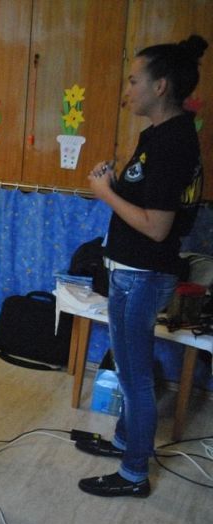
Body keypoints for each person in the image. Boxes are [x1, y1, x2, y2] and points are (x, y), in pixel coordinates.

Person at [77, 35, 207, 498]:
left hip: (143, 274)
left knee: (134, 377)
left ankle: (134, 474)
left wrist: (105, 194)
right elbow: (149, 201)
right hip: (131, 270)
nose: (127, 90)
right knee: (131, 366)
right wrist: (115, 185)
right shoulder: (159, 135)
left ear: (160, 86)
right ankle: (124, 442)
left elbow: (156, 226)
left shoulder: (173, 143)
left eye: (134, 81)